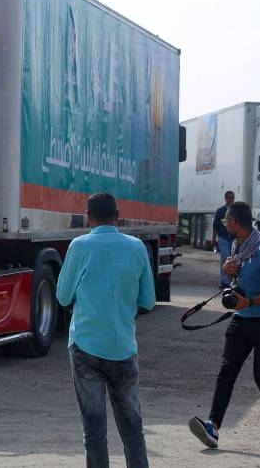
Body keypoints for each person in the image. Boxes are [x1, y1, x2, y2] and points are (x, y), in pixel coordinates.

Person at [56, 192, 154, 468]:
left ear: (88, 217)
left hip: (86, 347)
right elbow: (147, 300)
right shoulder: (137, 248)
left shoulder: (79, 246)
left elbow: (63, 296)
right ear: (117, 214)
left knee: (94, 430)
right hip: (123, 348)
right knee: (133, 429)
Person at [189, 201, 260, 449]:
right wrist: (230, 271)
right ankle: (213, 426)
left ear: (234, 222)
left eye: (226, 221)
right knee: (227, 372)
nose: (225, 224)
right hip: (241, 321)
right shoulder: (238, 246)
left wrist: (251, 302)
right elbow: (241, 282)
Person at [212, 191, 236, 288]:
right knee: (225, 259)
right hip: (223, 238)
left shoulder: (236, 212)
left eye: (232, 198)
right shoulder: (220, 211)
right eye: (228, 198)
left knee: (234, 260)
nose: (230, 200)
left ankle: (233, 281)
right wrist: (214, 239)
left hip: (234, 239)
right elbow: (215, 226)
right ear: (225, 198)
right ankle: (224, 282)